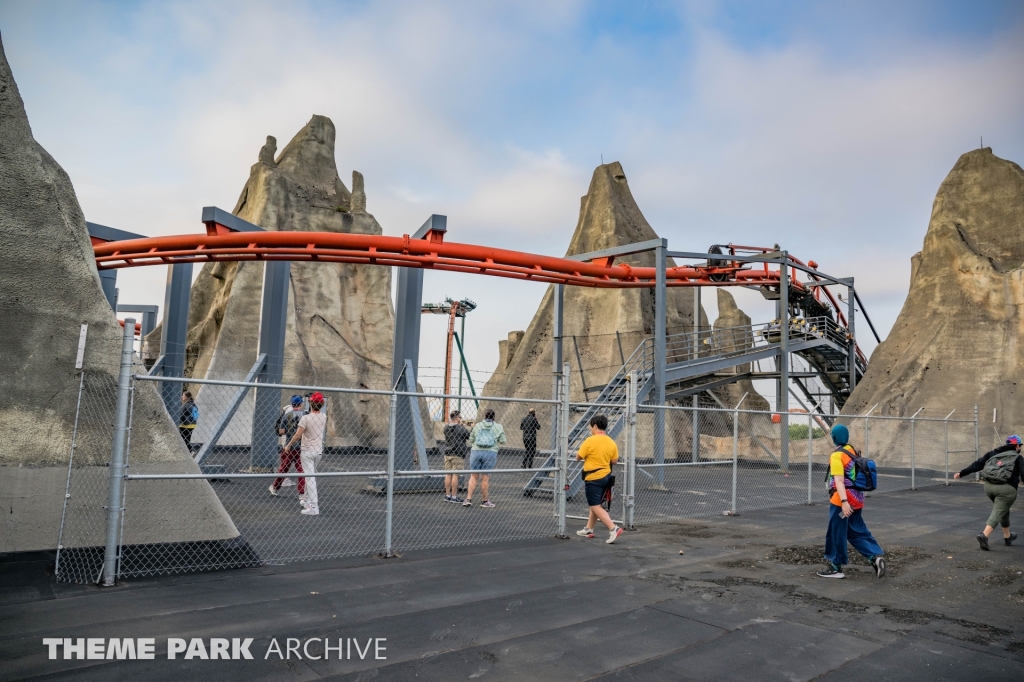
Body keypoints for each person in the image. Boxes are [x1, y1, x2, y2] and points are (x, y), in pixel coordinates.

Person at [817, 424, 886, 579]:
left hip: (842, 502)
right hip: (857, 498)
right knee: (855, 531)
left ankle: (836, 568)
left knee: (836, 532)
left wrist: (843, 502)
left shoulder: (836, 456)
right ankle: (874, 557)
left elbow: (839, 481)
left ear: (834, 438)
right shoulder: (852, 450)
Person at [954, 434, 1022, 550]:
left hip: (989, 487)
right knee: (998, 511)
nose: (1020, 448)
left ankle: (1008, 536)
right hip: (1006, 490)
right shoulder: (1018, 458)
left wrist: (962, 473)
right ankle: (984, 535)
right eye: (1020, 445)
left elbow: (978, 464)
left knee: (1003, 509)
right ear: (1016, 446)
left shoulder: (993, 453)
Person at [574, 414, 623, 544]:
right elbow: (615, 460)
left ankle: (613, 528)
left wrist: (578, 454)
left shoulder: (590, 441)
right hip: (606, 476)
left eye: (591, 426)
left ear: (595, 426)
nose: (591, 429)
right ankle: (588, 528)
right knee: (596, 504)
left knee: (595, 505)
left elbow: (578, 457)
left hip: (593, 477)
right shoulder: (611, 442)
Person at [283, 392, 327, 516]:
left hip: (307, 451)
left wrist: (288, 445)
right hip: (318, 451)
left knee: (310, 478)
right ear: (322, 404)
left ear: (310, 403)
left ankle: (314, 506)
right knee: (310, 476)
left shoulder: (306, 418)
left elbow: (297, 435)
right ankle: (307, 500)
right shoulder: (323, 416)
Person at [463, 409, 506, 508]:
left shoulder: (478, 425)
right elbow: (503, 441)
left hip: (476, 451)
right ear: (494, 416)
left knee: (473, 476)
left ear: (484, 415)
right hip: (490, 452)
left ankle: (468, 499)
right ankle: (484, 501)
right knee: (485, 478)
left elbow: (472, 439)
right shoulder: (498, 427)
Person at [269, 395, 305, 497]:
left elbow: (281, 431)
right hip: (301, 446)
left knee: (284, 468)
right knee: (302, 470)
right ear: (301, 404)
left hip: (288, 446)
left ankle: (275, 487)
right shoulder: (305, 414)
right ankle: (302, 493)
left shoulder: (287, 415)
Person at [443, 410, 471, 503]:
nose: (461, 419)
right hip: (458, 453)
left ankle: (447, 495)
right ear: (457, 418)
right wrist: (464, 427)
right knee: (455, 475)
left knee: (448, 474)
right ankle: (454, 497)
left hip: (448, 453)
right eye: (460, 417)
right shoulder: (461, 428)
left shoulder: (446, 427)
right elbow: (469, 436)